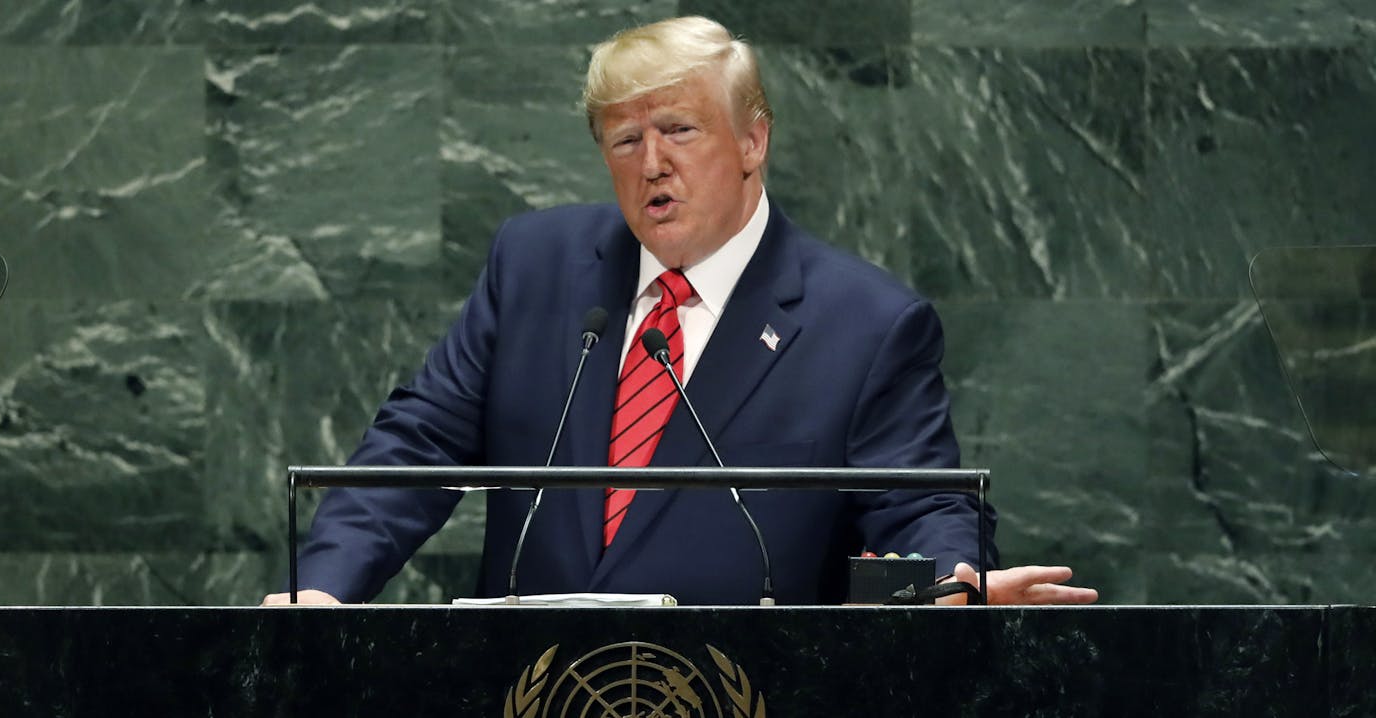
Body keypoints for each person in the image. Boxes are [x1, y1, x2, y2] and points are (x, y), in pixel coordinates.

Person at [264, 16, 1096, 607]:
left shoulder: (867, 324)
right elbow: (417, 446)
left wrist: (949, 585)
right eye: (625, 141)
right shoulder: (536, 267)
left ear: (753, 141)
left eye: (679, 129)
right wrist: (323, 587)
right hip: (532, 692)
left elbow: (923, 507)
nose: (651, 163)